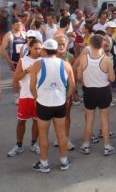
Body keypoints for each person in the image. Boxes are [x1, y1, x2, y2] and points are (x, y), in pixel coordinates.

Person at [29, 39, 75, 173]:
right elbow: (72, 86)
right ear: (56, 50)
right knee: (61, 134)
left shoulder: (38, 64)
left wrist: (36, 98)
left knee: (43, 135)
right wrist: (65, 98)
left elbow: (32, 87)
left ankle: (44, 164)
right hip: (59, 104)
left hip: (43, 104)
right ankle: (64, 162)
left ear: (44, 50)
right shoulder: (66, 64)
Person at [78, 34, 116, 156]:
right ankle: (106, 146)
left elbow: (79, 77)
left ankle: (86, 145)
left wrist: (86, 82)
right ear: (102, 44)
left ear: (91, 44)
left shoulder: (84, 58)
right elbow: (112, 78)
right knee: (104, 119)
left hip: (89, 91)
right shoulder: (107, 60)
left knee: (89, 119)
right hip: (103, 91)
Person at [8, 38, 42, 157]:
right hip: (25, 96)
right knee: (21, 121)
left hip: (39, 97)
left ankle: (34, 144)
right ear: (30, 48)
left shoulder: (44, 61)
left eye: (40, 48)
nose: (38, 50)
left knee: (37, 121)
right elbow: (15, 78)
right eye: (36, 48)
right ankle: (19, 145)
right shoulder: (23, 60)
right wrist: (27, 71)